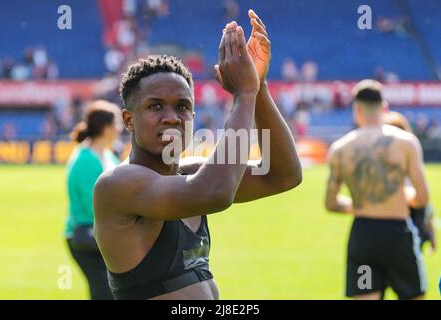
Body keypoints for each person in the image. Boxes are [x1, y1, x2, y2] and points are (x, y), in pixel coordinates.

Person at [93, 10, 302, 300]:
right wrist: (244, 95)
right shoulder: (118, 184)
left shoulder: (192, 175)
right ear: (128, 120)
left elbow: (283, 175)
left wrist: (259, 87)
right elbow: (215, 192)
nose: (171, 117)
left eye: (182, 106)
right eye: (155, 107)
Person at [325, 80, 429, 300]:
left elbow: (331, 203)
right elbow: (422, 198)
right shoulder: (406, 143)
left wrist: (364, 203)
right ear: (384, 108)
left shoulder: (340, 149)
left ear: (356, 110)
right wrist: (396, 199)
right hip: (397, 235)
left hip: (363, 236)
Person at [65, 100, 122, 300]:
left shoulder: (106, 156)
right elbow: (94, 203)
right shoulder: (85, 158)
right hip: (86, 235)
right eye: (117, 125)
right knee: (105, 293)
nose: (119, 130)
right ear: (106, 128)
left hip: (101, 233)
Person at [382, 111, 436, 251]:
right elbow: (424, 199)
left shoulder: (408, 161)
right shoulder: (410, 157)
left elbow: (423, 199)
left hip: (404, 225)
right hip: (403, 225)